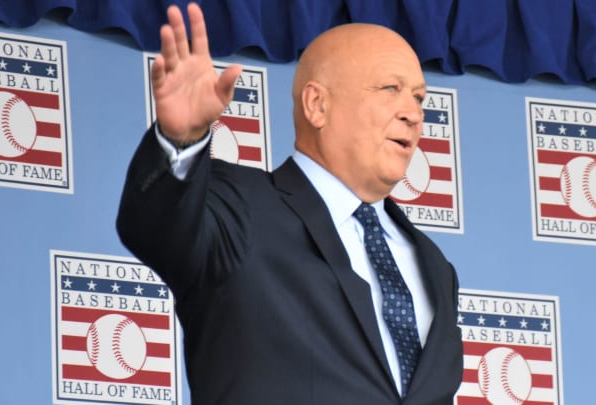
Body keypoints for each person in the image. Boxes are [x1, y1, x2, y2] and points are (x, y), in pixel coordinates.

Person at [117, 3, 463, 404]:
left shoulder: (435, 266)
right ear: (317, 105)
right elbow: (155, 227)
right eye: (390, 89)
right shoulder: (241, 207)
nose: (413, 114)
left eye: (419, 97)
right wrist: (180, 140)